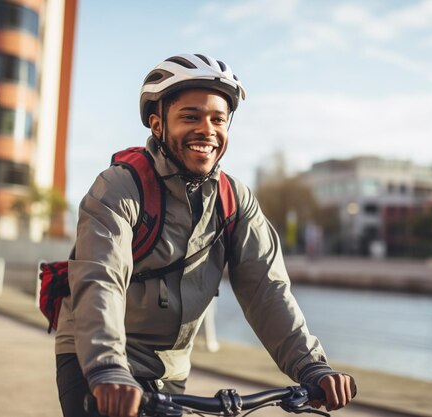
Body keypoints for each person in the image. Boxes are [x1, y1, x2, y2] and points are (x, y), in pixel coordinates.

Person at [55, 53, 356, 417]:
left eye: (218, 119)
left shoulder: (234, 200)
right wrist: (107, 366)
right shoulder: (120, 187)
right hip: (95, 359)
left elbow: (267, 290)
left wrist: (312, 367)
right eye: (190, 117)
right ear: (157, 124)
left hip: (171, 372)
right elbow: (100, 279)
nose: (207, 130)